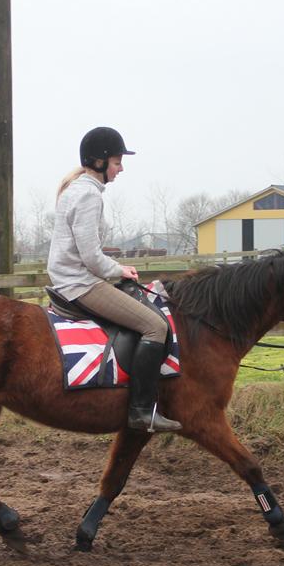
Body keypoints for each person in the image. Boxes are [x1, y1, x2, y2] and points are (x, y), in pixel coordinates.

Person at [48, 126, 181, 432]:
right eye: (117, 161)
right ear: (99, 162)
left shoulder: (76, 190)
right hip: (79, 284)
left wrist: (115, 268)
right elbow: (92, 257)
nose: (121, 168)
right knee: (155, 325)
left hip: (71, 278)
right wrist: (119, 270)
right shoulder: (89, 196)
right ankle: (141, 411)